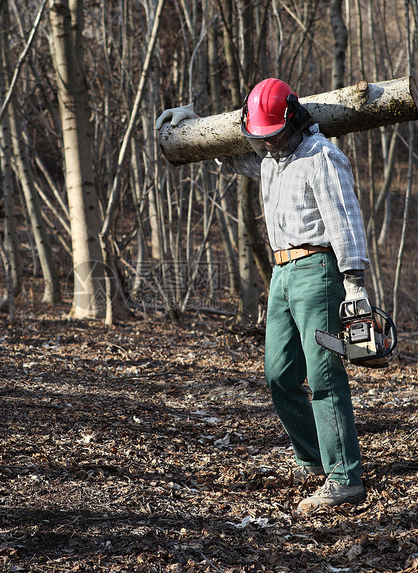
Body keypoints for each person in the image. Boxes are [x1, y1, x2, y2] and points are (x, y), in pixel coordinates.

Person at [156, 78, 370, 512]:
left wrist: (355, 285)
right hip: (282, 273)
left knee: (324, 376)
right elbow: (233, 159)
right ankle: (314, 459)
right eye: (263, 139)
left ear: (294, 120)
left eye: (275, 136)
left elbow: (346, 220)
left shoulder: (321, 157)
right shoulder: (272, 155)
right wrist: (192, 126)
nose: (269, 145)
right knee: (279, 374)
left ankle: (344, 477)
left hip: (319, 271)